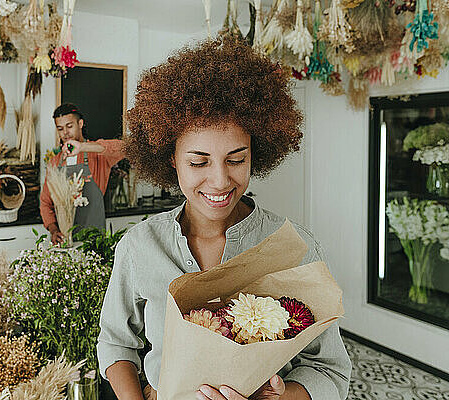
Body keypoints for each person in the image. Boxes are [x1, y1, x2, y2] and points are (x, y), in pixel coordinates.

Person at [97, 37, 352, 400]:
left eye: (236, 159)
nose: (219, 181)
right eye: (198, 162)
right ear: (170, 159)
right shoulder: (140, 247)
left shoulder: (296, 247)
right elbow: (115, 344)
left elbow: (330, 370)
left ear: (256, 154)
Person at [40, 103, 124, 244]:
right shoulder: (54, 162)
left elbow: (124, 148)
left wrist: (83, 147)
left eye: (69, 126)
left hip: (95, 240)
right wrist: (54, 230)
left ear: (80, 123)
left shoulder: (97, 154)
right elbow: (45, 203)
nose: (65, 133)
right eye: (60, 129)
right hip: (65, 240)